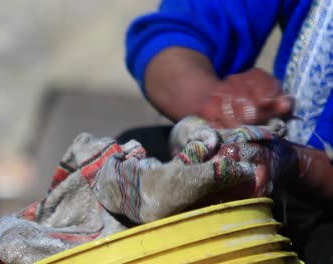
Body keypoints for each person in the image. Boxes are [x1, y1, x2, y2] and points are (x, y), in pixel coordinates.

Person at [122, 0, 333, 263]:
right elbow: (171, 36)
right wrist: (216, 107)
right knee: (135, 154)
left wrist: (293, 163)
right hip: (281, 172)